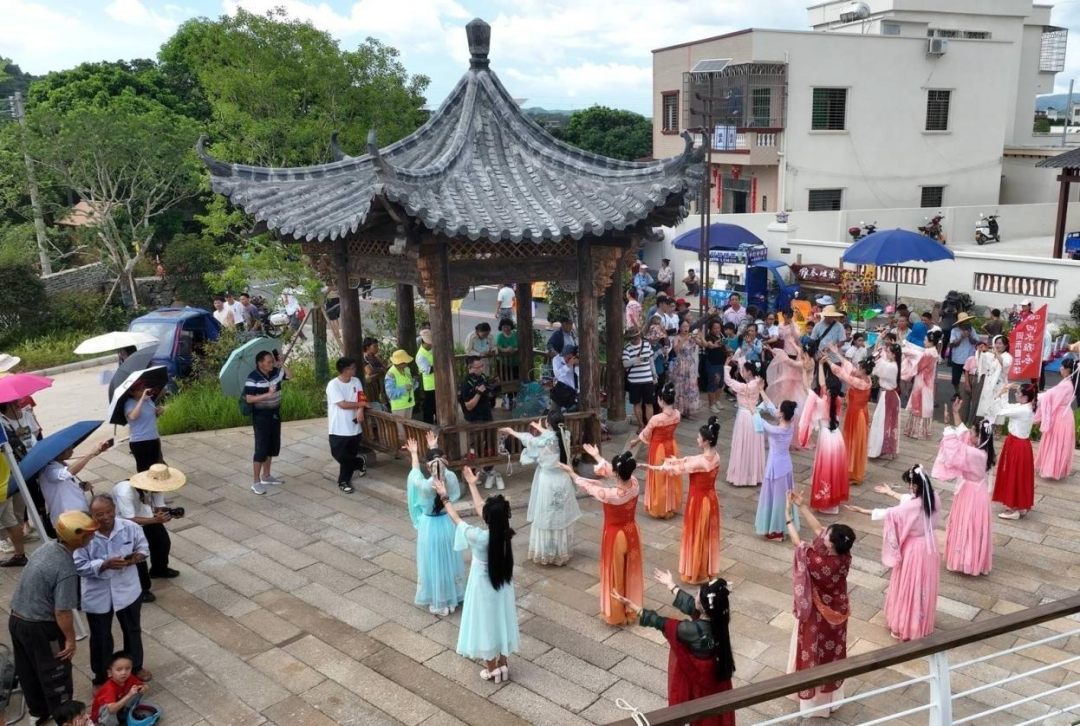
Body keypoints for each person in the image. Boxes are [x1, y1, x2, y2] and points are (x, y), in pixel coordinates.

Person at [611, 570, 735, 726]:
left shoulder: (692, 630)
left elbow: (661, 622)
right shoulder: (719, 618)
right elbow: (691, 605)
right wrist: (670, 584)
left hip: (699, 683)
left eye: (697, 594)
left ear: (703, 606)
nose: (695, 596)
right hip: (716, 678)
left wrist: (633, 606)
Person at [432, 467, 520, 683]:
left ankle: (491, 670)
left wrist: (444, 496)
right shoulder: (505, 533)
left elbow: (456, 518)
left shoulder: (478, 537)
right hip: (502, 584)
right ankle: (503, 664)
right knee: (502, 619)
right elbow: (486, 513)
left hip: (482, 585)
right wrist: (472, 485)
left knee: (485, 622)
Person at [8, 510, 96, 722]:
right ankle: (66, 719)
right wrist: (70, 640)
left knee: (28, 671)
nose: (93, 537)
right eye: (89, 534)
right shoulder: (66, 568)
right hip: (41, 629)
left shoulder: (46, 547)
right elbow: (62, 611)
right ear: (77, 537)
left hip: (17, 620)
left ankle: (38, 713)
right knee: (56, 674)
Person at [784, 490, 855, 718]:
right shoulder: (844, 556)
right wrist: (802, 505)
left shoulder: (819, 562)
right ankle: (831, 700)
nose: (823, 534)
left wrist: (788, 516)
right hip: (837, 612)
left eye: (827, 535)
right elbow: (818, 530)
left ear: (831, 546)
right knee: (832, 652)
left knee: (813, 651)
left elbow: (798, 544)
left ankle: (812, 703)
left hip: (817, 614)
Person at [849, 466, 941, 641]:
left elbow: (892, 513)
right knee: (923, 584)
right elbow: (909, 500)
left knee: (910, 583)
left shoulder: (913, 506)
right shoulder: (934, 497)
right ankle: (920, 620)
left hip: (914, 549)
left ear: (915, 485)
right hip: (930, 545)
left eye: (910, 485)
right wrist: (890, 493)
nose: (909, 488)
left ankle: (905, 624)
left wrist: (863, 511)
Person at [558, 447, 643, 626]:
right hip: (631, 532)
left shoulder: (611, 495)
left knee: (615, 574)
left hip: (615, 536)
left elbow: (588, 487)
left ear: (617, 474)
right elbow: (613, 472)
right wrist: (597, 456)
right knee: (629, 571)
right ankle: (630, 608)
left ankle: (616, 613)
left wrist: (571, 473)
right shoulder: (635, 484)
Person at [74, 495, 150, 686]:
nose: (105, 517)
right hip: (98, 594)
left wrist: (133, 559)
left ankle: (136, 667)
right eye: (99, 514)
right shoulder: (84, 534)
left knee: (132, 630)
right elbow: (78, 566)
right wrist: (104, 565)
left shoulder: (130, 527)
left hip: (128, 589)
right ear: (92, 515)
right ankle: (101, 676)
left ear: (115, 509)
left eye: (109, 512)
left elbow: (143, 548)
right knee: (100, 637)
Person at [646, 418, 723, 584]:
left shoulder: (702, 462)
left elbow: (678, 469)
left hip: (698, 501)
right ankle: (705, 568)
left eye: (699, 437)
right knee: (706, 534)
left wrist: (658, 467)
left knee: (696, 534)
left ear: (705, 441)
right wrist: (676, 460)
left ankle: (696, 571)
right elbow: (691, 460)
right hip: (711, 499)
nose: (697, 439)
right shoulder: (716, 456)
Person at [503, 413, 580, 566]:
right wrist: (541, 428)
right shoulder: (565, 434)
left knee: (546, 515)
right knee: (561, 515)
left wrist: (512, 432)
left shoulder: (543, 441)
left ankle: (547, 552)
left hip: (548, 481)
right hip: (563, 478)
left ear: (548, 423)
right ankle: (561, 551)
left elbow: (529, 440)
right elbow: (552, 435)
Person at [405, 433, 466, 616]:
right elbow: (441, 470)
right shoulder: (451, 478)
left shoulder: (424, 486)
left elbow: (414, 475)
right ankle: (452, 597)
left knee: (432, 562)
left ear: (428, 465)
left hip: (429, 526)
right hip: (447, 522)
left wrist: (414, 453)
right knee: (449, 559)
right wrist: (434, 447)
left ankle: (439, 602)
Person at [934, 398, 994, 576]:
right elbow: (964, 433)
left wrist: (947, 425)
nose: (970, 435)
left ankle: (965, 560)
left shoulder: (975, 454)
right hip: (978, 492)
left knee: (967, 524)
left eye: (973, 433)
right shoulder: (985, 451)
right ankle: (972, 560)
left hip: (970, 493)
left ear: (979, 437)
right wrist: (955, 413)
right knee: (974, 527)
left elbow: (955, 449)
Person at [112, 464, 183, 604]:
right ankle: (141, 590)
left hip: (146, 516)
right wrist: (156, 520)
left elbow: (159, 506)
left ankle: (159, 569)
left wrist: (168, 513)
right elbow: (130, 519)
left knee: (162, 542)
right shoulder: (125, 492)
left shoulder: (157, 486)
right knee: (138, 556)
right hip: (126, 524)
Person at [798, 363, 849, 514]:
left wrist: (804, 371)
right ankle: (833, 502)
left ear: (828, 389)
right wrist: (820, 365)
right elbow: (822, 385)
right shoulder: (838, 400)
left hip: (827, 438)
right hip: (837, 437)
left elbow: (806, 388)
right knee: (835, 469)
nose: (823, 387)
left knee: (826, 469)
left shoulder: (821, 402)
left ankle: (826, 502)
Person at [630, 383, 682, 519]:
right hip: (672, 446)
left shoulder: (656, 419)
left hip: (658, 449)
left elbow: (646, 433)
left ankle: (660, 507)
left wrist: (635, 441)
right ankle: (670, 506)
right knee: (671, 476)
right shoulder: (677, 414)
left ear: (661, 400)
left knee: (659, 477)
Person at [244, 350, 290, 495]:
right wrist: (268, 394)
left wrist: (282, 364)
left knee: (271, 446)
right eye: (268, 362)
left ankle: (266, 475)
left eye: (272, 361)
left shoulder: (276, 372)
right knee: (261, 449)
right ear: (260, 363)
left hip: (275, 414)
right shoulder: (253, 378)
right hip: (261, 417)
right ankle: (256, 482)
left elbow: (291, 376)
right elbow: (249, 399)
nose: (272, 364)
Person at [754, 396, 798, 540]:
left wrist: (751, 405)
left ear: (782, 414)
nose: (776, 410)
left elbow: (759, 418)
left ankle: (777, 530)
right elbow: (771, 408)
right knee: (782, 499)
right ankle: (782, 527)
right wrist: (761, 391)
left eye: (779, 408)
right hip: (786, 466)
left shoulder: (777, 430)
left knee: (776, 499)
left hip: (776, 467)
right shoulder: (791, 424)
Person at [992, 383, 1038, 520]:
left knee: (1013, 474)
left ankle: (1012, 508)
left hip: (1017, 446)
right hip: (1020, 444)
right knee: (1020, 475)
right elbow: (1007, 406)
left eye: (1018, 393)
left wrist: (998, 394)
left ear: (1025, 397)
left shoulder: (1023, 410)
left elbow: (999, 411)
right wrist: (1004, 392)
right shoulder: (1024, 406)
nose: (1016, 394)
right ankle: (1020, 505)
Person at [40, 440, 111, 526]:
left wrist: (81, 486)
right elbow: (66, 474)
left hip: (79, 513)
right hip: (67, 519)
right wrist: (90, 454)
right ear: (60, 451)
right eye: (69, 448)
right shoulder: (48, 470)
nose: (72, 451)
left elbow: (65, 486)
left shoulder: (62, 463)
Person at [326, 357, 369, 494]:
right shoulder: (333, 385)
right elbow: (343, 404)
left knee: (349, 454)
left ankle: (344, 481)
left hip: (354, 427)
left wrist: (360, 410)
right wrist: (361, 404)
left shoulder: (356, 381)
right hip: (338, 427)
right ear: (345, 370)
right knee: (338, 453)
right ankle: (359, 462)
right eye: (353, 368)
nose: (355, 369)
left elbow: (361, 396)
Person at [460, 356, 503, 489]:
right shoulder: (466, 383)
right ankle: (471, 473)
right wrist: (478, 393)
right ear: (470, 367)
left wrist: (494, 387)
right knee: (475, 446)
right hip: (474, 418)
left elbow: (488, 395)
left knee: (491, 443)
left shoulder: (482, 377)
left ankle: (487, 468)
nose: (480, 369)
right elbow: (468, 406)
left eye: (481, 366)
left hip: (487, 416)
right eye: (477, 367)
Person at [723, 360, 766, 487]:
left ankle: (742, 476)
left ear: (749, 372)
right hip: (752, 415)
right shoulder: (756, 382)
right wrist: (740, 362)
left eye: (743, 371)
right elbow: (740, 378)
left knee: (743, 444)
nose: (741, 372)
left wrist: (726, 367)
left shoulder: (747, 387)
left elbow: (729, 381)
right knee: (751, 445)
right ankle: (752, 475)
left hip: (746, 417)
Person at [832, 359, 873, 486]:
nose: (856, 369)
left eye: (859, 368)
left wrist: (828, 361)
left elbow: (842, 374)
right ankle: (851, 471)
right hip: (858, 413)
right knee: (853, 442)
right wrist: (837, 354)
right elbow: (849, 366)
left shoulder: (861, 382)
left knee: (854, 443)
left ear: (864, 370)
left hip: (857, 415)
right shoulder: (867, 379)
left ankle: (855, 474)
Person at [1034, 357, 1076, 480]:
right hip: (1065, 415)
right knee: (1059, 443)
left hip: (1060, 416)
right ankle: (1056, 469)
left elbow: (1053, 401)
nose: (1060, 368)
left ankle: (1051, 470)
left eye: (1062, 366)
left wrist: (1041, 398)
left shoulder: (1065, 385)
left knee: (1055, 442)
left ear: (1068, 370)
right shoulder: (1069, 382)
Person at [90, 651, 148, 726]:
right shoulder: (109, 688)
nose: (124, 672)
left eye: (127, 668)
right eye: (119, 669)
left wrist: (143, 688)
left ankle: (126, 712)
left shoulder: (129, 678)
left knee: (137, 691)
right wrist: (129, 695)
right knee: (109, 708)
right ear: (110, 673)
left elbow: (144, 686)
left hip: (118, 705)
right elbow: (111, 710)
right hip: (101, 716)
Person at [903, 330, 942, 440]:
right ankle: (920, 430)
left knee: (918, 403)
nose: (924, 341)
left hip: (922, 381)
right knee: (924, 403)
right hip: (928, 381)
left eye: (925, 340)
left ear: (930, 341)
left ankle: (916, 431)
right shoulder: (934, 352)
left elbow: (919, 366)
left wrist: (909, 360)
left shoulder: (928, 352)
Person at [868, 343, 903, 460]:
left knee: (881, 423)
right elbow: (881, 363)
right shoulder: (892, 364)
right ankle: (882, 448)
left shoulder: (892, 366)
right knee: (883, 422)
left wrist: (877, 356)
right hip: (887, 395)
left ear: (894, 354)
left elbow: (878, 368)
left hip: (888, 396)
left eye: (888, 352)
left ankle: (879, 449)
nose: (886, 353)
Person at [123, 381, 164, 473]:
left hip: (154, 438)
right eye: (139, 389)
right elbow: (133, 416)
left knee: (155, 469)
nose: (143, 390)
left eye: (144, 387)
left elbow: (149, 418)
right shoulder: (129, 403)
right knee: (144, 470)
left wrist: (158, 412)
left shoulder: (148, 400)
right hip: (140, 441)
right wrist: (141, 399)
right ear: (131, 392)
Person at [622, 326, 656, 430]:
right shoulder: (627, 348)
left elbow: (651, 360)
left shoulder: (647, 344)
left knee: (649, 403)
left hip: (647, 379)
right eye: (633, 337)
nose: (635, 339)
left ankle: (649, 427)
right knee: (636, 404)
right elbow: (625, 364)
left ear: (639, 335)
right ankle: (641, 425)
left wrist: (654, 375)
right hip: (634, 381)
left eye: (636, 336)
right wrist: (635, 360)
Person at [698, 320, 728, 415]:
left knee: (721, 383)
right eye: (715, 328)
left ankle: (717, 400)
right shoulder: (709, 336)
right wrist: (715, 345)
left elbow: (725, 346)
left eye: (718, 328)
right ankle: (711, 404)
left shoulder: (722, 335)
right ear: (710, 329)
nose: (717, 330)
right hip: (713, 363)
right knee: (714, 382)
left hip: (722, 362)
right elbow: (710, 345)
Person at [672, 320, 700, 417]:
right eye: (683, 326)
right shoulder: (676, 338)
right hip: (680, 364)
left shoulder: (692, 337)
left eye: (687, 326)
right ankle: (679, 410)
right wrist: (684, 339)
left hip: (690, 364)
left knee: (690, 386)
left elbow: (703, 344)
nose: (686, 328)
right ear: (679, 328)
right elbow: (676, 349)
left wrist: (699, 337)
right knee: (680, 386)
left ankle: (688, 410)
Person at [948, 312, 978, 397]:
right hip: (957, 358)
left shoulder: (972, 330)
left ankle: (969, 394)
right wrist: (961, 337)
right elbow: (952, 344)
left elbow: (975, 342)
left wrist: (969, 336)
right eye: (964, 322)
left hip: (969, 358)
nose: (966, 323)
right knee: (955, 379)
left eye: (967, 321)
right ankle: (957, 393)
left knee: (970, 378)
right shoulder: (954, 331)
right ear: (960, 323)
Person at [413, 330, 438, 424]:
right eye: (429, 343)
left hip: (436, 384)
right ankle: (429, 425)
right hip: (429, 386)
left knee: (436, 406)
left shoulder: (430, 349)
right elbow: (427, 370)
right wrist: (439, 365)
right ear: (424, 342)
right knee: (429, 408)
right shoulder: (420, 356)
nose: (431, 345)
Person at [494, 320, 519, 411]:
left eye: (507, 326)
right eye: (503, 326)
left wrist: (515, 350)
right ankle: (508, 400)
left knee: (516, 380)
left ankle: (516, 399)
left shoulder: (516, 334)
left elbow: (521, 344)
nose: (505, 328)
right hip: (503, 363)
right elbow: (498, 347)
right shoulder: (499, 336)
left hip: (516, 363)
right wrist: (506, 350)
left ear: (511, 326)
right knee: (505, 381)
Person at [551, 345, 579, 412]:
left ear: (573, 356)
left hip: (574, 391)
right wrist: (568, 365)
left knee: (573, 412)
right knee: (554, 412)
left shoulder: (577, 360)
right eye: (564, 356)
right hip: (561, 389)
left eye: (568, 357)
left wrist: (577, 365)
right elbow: (557, 375)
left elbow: (580, 375)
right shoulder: (557, 359)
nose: (565, 358)